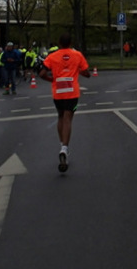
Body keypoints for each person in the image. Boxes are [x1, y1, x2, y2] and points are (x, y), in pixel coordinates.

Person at [39, 33, 92, 172]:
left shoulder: (52, 56)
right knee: (68, 118)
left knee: (61, 116)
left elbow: (42, 74)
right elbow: (86, 72)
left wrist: (53, 80)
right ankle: (64, 148)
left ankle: (62, 144)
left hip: (58, 91)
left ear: (59, 43)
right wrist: (81, 72)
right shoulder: (77, 55)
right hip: (72, 91)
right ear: (70, 42)